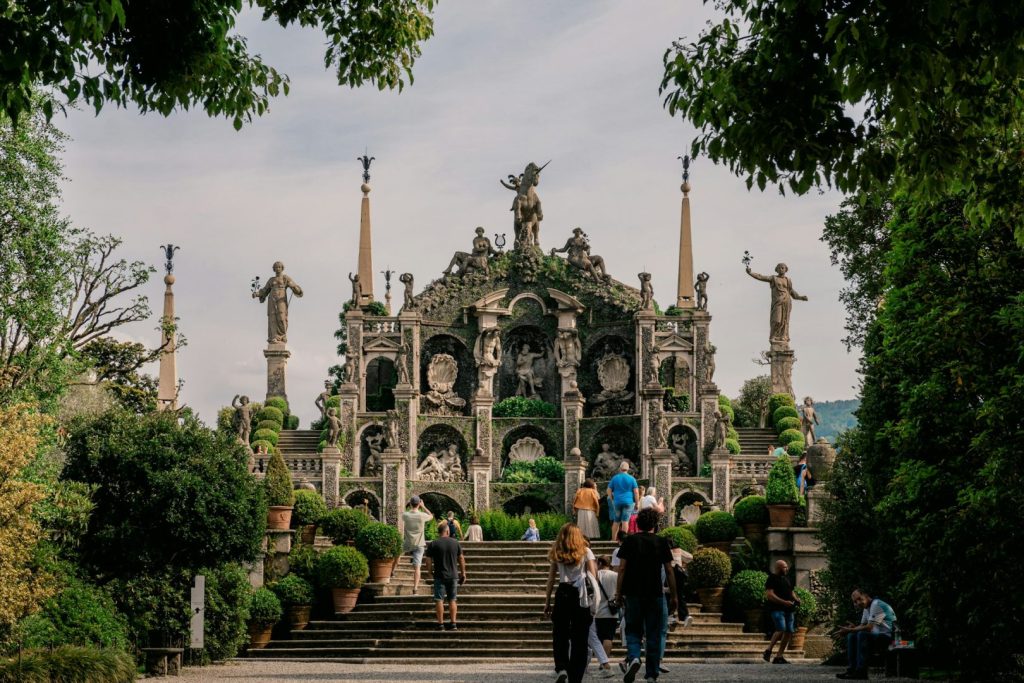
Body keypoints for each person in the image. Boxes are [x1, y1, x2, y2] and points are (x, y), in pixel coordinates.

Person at [612, 507, 676, 683]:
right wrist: (675, 596)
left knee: (633, 629)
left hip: (633, 592)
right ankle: (651, 674)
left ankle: (633, 657)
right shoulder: (661, 542)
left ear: (638, 523)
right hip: (655, 592)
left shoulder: (630, 541)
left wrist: (618, 593)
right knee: (654, 633)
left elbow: (622, 568)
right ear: (655, 524)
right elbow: (669, 570)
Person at [543, 523, 597, 683]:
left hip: (563, 593)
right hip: (580, 595)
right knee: (580, 637)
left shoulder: (557, 552)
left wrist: (547, 601)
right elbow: (593, 576)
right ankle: (576, 676)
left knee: (560, 633)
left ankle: (561, 667)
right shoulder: (586, 552)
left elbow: (551, 578)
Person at [835, 589, 897, 680]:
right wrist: (851, 629)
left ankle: (861, 672)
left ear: (866, 595)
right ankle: (852, 670)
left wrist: (850, 629)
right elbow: (862, 625)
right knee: (852, 636)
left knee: (861, 634)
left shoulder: (876, 604)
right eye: (855, 601)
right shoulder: (866, 608)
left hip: (888, 638)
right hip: (876, 636)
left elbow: (869, 627)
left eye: (859, 599)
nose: (858, 603)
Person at [424, 522, 466, 631]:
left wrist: (429, 572)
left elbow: (428, 560)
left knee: (439, 599)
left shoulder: (433, 544)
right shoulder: (455, 543)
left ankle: (441, 624)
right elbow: (461, 558)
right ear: (447, 531)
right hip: (453, 576)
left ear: (439, 532)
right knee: (452, 599)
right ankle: (453, 624)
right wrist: (463, 573)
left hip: (439, 575)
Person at [588, 555, 619, 679]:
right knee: (608, 637)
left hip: (598, 611)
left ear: (600, 563)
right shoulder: (615, 575)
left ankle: (603, 662)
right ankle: (604, 662)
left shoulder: (596, 575)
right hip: (612, 612)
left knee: (598, 638)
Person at [764, 559, 800, 664]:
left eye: (786, 566)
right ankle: (768, 650)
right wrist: (784, 602)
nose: (787, 568)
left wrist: (796, 599)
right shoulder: (771, 578)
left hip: (789, 609)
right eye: (784, 567)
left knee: (789, 631)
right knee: (781, 629)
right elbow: (770, 595)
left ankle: (779, 656)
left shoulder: (787, 578)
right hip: (777, 609)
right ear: (778, 568)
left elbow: (791, 591)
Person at [399, 496, 433, 594]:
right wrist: (424, 506)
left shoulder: (406, 515)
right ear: (419, 504)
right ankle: (415, 588)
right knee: (417, 567)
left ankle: (392, 571)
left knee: (397, 553)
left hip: (408, 542)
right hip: (419, 544)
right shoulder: (422, 515)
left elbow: (402, 514)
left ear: (410, 504)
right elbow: (431, 515)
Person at [607, 461, 639, 543]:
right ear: (628, 469)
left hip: (617, 502)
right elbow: (636, 492)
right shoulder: (632, 479)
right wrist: (637, 503)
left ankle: (613, 539)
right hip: (628, 502)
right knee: (625, 521)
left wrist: (612, 498)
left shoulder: (615, 478)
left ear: (620, 468)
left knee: (616, 521)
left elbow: (609, 490)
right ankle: (623, 540)